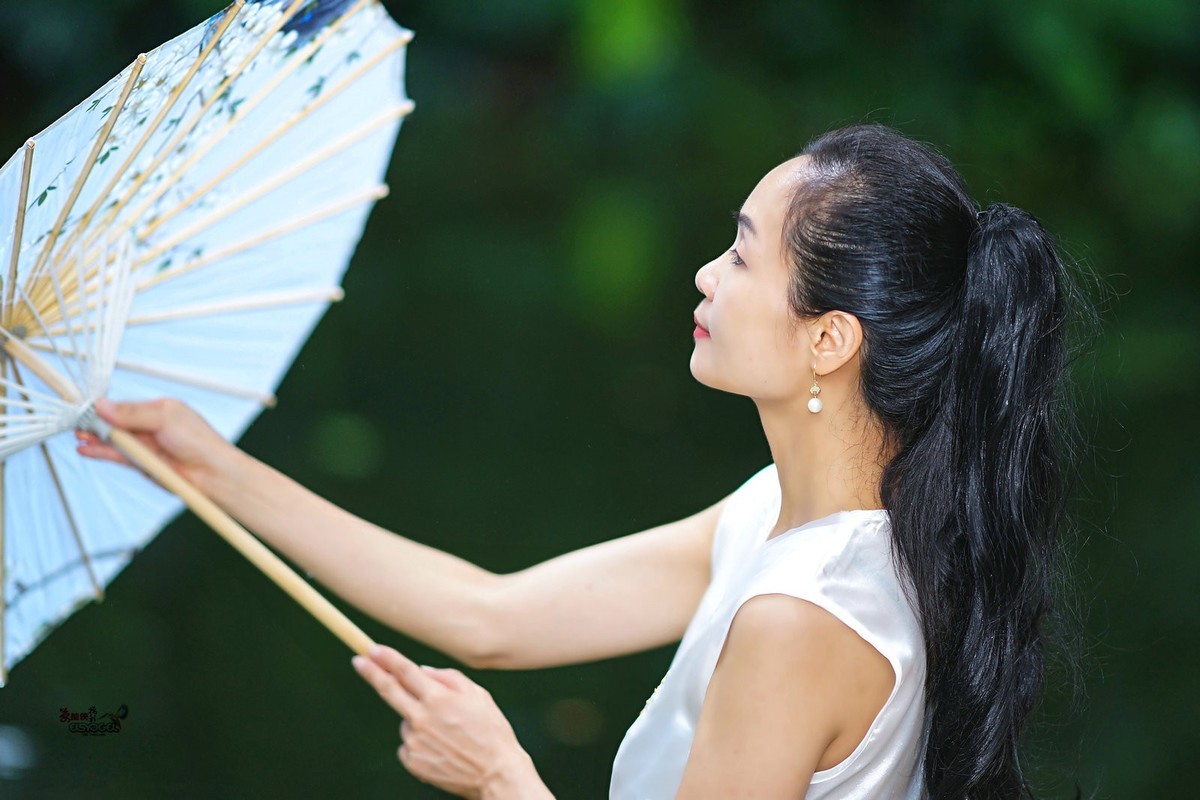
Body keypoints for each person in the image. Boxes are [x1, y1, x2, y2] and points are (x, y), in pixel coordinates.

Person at [76, 123, 1083, 799]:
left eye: (740, 255)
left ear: (830, 339)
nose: (704, 272)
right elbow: (493, 614)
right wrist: (208, 466)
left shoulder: (805, 617)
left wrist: (503, 776)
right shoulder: (790, 512)